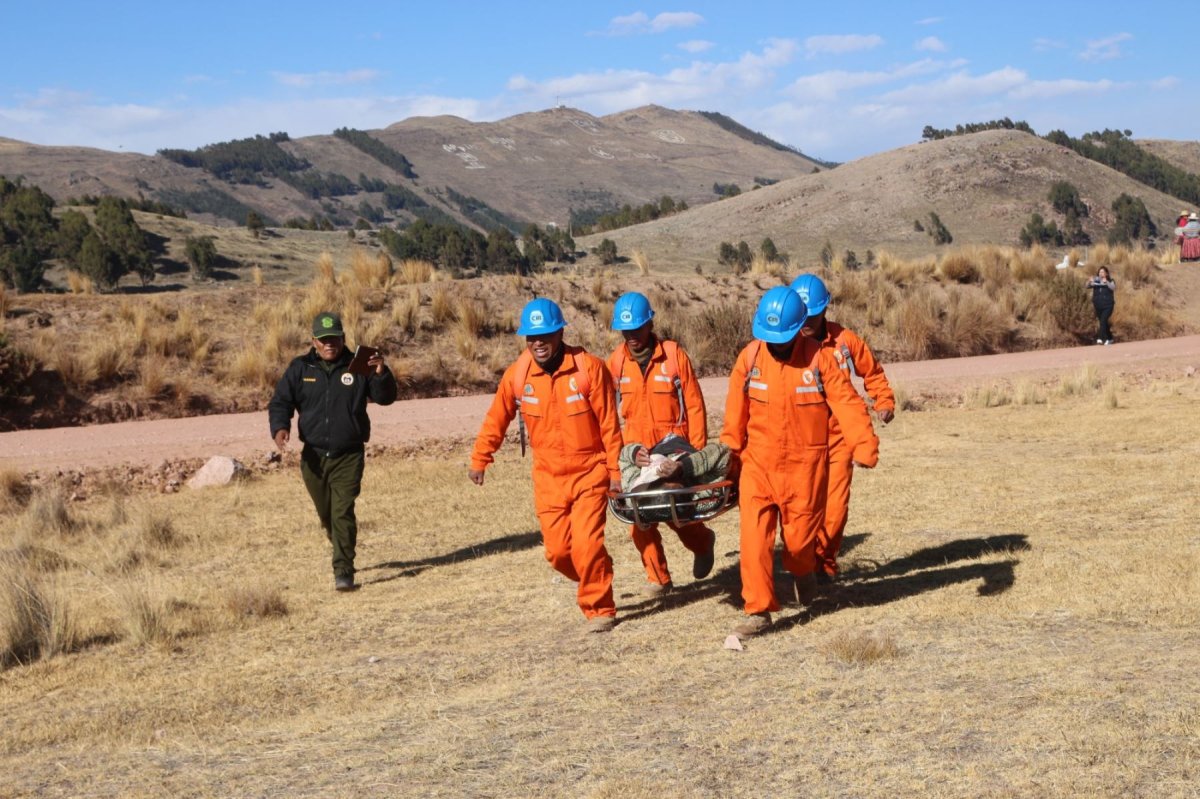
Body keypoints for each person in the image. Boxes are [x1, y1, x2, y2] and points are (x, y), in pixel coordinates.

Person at [721, 287, 879, 638]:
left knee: (798, 544)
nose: (775, 345)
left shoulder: (820, 361)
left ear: (798, 329)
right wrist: (729, 454)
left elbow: (848, 403)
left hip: (805, 469)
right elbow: (735, 414)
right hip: (758, 466)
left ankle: (804, 571)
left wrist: (864, 443)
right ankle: (758, 610)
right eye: (768, 336)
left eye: (782, 338)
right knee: (754, 541)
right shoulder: (749, 359)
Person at [469, 298, 623, 633]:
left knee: (587, 545)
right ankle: (595, 572)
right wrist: (481, 457)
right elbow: (497, 418)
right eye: (531, 337)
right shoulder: (518, 374)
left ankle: (600, 610)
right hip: (548, 476)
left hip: (589, 471)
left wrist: (616, 473)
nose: (538, 342)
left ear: (560, 333)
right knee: (557, 553)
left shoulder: (589, 369)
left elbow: (610, 426)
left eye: (545, 335)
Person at [268, 311, 397, 591]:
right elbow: (280, 401)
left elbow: (386, 398)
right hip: (313, 456)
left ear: (343, 338)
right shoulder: (300, 368)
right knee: (326, 514)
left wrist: (381, 373)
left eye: (335, 339)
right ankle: (342, 543)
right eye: (324, 340)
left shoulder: (359, 364)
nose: (330, 345)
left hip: (348, 455)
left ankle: (343, 570)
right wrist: (280, 427)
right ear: (314, 341)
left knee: (341, 511)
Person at [607, 292, 716, 594]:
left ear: (649, 324)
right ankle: (658, 579)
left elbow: (694, 406)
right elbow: (608, 417)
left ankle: (703, 542)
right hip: (637, 459)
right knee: (638, 520)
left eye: (637, 329)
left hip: (674, 452)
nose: (631, 336)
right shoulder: (615, 364)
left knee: (677, 514)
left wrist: (693, 461)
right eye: (625, 331)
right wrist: (620, 459)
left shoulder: (673, 356)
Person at [790, 273, 895, 583]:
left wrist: (884, 401)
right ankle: (801, 559)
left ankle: (823, 565)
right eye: (801, 315)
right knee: (802, 504)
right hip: (800, 436)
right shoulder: (786, 346)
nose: (806, 321)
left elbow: (872, 373)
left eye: (813, 314)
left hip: (838, 436)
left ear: (825, 309)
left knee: (834, 506)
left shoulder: (846, 342)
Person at [1085, 267, 1116, 345]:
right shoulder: (1096, 281)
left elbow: (1113, 288)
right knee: (1103, 322)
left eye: (1102, 272)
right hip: (1098, 306)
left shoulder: (1111, 281)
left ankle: (1101, 338)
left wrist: (1107, 282)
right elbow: (1087, 286)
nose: (1101, 273)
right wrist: (1089, 281)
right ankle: (1110, 338)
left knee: (1103, 320)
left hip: (1108, 306)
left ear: (1106, 273)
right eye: (1100, 272)